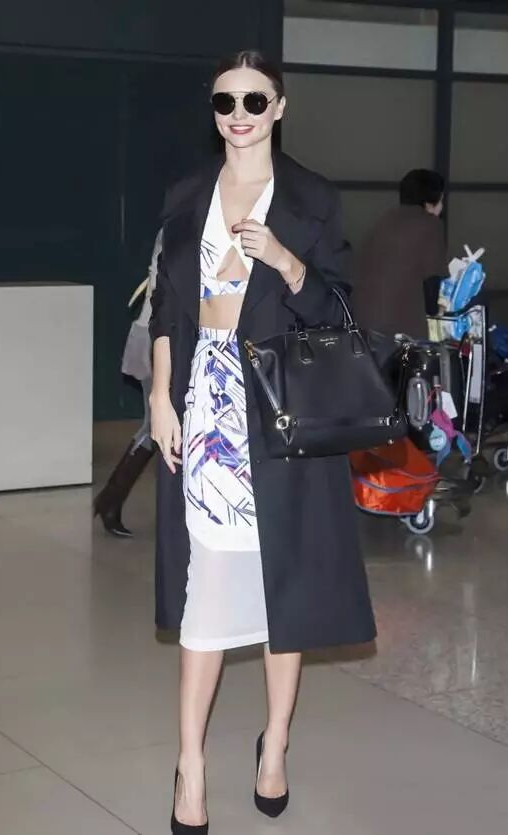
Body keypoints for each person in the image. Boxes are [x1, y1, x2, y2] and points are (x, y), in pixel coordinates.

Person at [149, 50, 376, 834]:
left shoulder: (311, 199)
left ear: (280, 106)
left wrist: (284, 260)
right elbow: (167, 305)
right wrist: (160, 395)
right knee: (207, 588)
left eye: (255, 100)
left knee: (288, 582)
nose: (239, 115)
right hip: (207, 406)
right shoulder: (187, 195)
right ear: (213, 110)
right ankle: (191, 763)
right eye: (225, 101)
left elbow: (339, 313)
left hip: (281, 409)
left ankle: (274, 741)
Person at [93, 229, 162, 537]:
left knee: (157, 426)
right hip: (158, 336)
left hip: (157, 333)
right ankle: (110, 500)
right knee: (157, 426)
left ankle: (110, 500)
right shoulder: (180, 227)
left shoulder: (175, 227)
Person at [352, 169, 448, 341]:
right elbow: (431, 280)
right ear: (429, 203)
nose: (442, 207)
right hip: (399, 327)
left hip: (362, 322)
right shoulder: (430, 224)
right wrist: (435, 309)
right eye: (441, 201)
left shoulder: (383, 221)